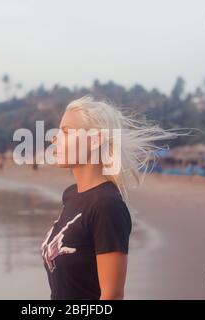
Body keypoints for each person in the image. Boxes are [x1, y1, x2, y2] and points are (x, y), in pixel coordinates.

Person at [40, 95, 177, 300]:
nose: (54, 139)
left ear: (95, 140)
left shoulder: (106, 205)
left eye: (66, 132)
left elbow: (112, 296)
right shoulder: (71, 195)